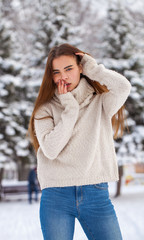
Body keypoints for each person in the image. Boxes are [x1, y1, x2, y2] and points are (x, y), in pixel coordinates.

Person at [27, 43, 131, 239]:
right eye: (56, 72)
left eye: (69, 69)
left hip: (96, 193)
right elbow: (50, 149)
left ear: (80, 68)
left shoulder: (100, 102)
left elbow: (123, 87)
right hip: (56, 197)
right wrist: (70, 108)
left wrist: (94, 69)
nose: (63, 76)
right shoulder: (45, 109)